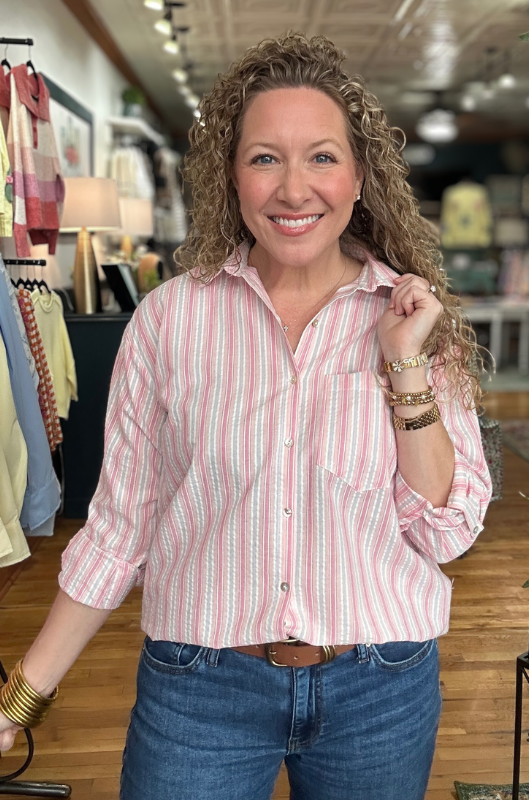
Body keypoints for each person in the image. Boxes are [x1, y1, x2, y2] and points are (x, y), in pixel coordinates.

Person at [0, 33, 492, 800]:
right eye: (265, 157)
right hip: (201, 685)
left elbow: (445, 529)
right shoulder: (168, 322)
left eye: (322, 157)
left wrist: (404, 363)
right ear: (231, 177)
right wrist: (20, 698)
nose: (294, 189)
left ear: (360, 176)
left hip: (381, 683)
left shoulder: (413, 316)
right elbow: (120, 528)